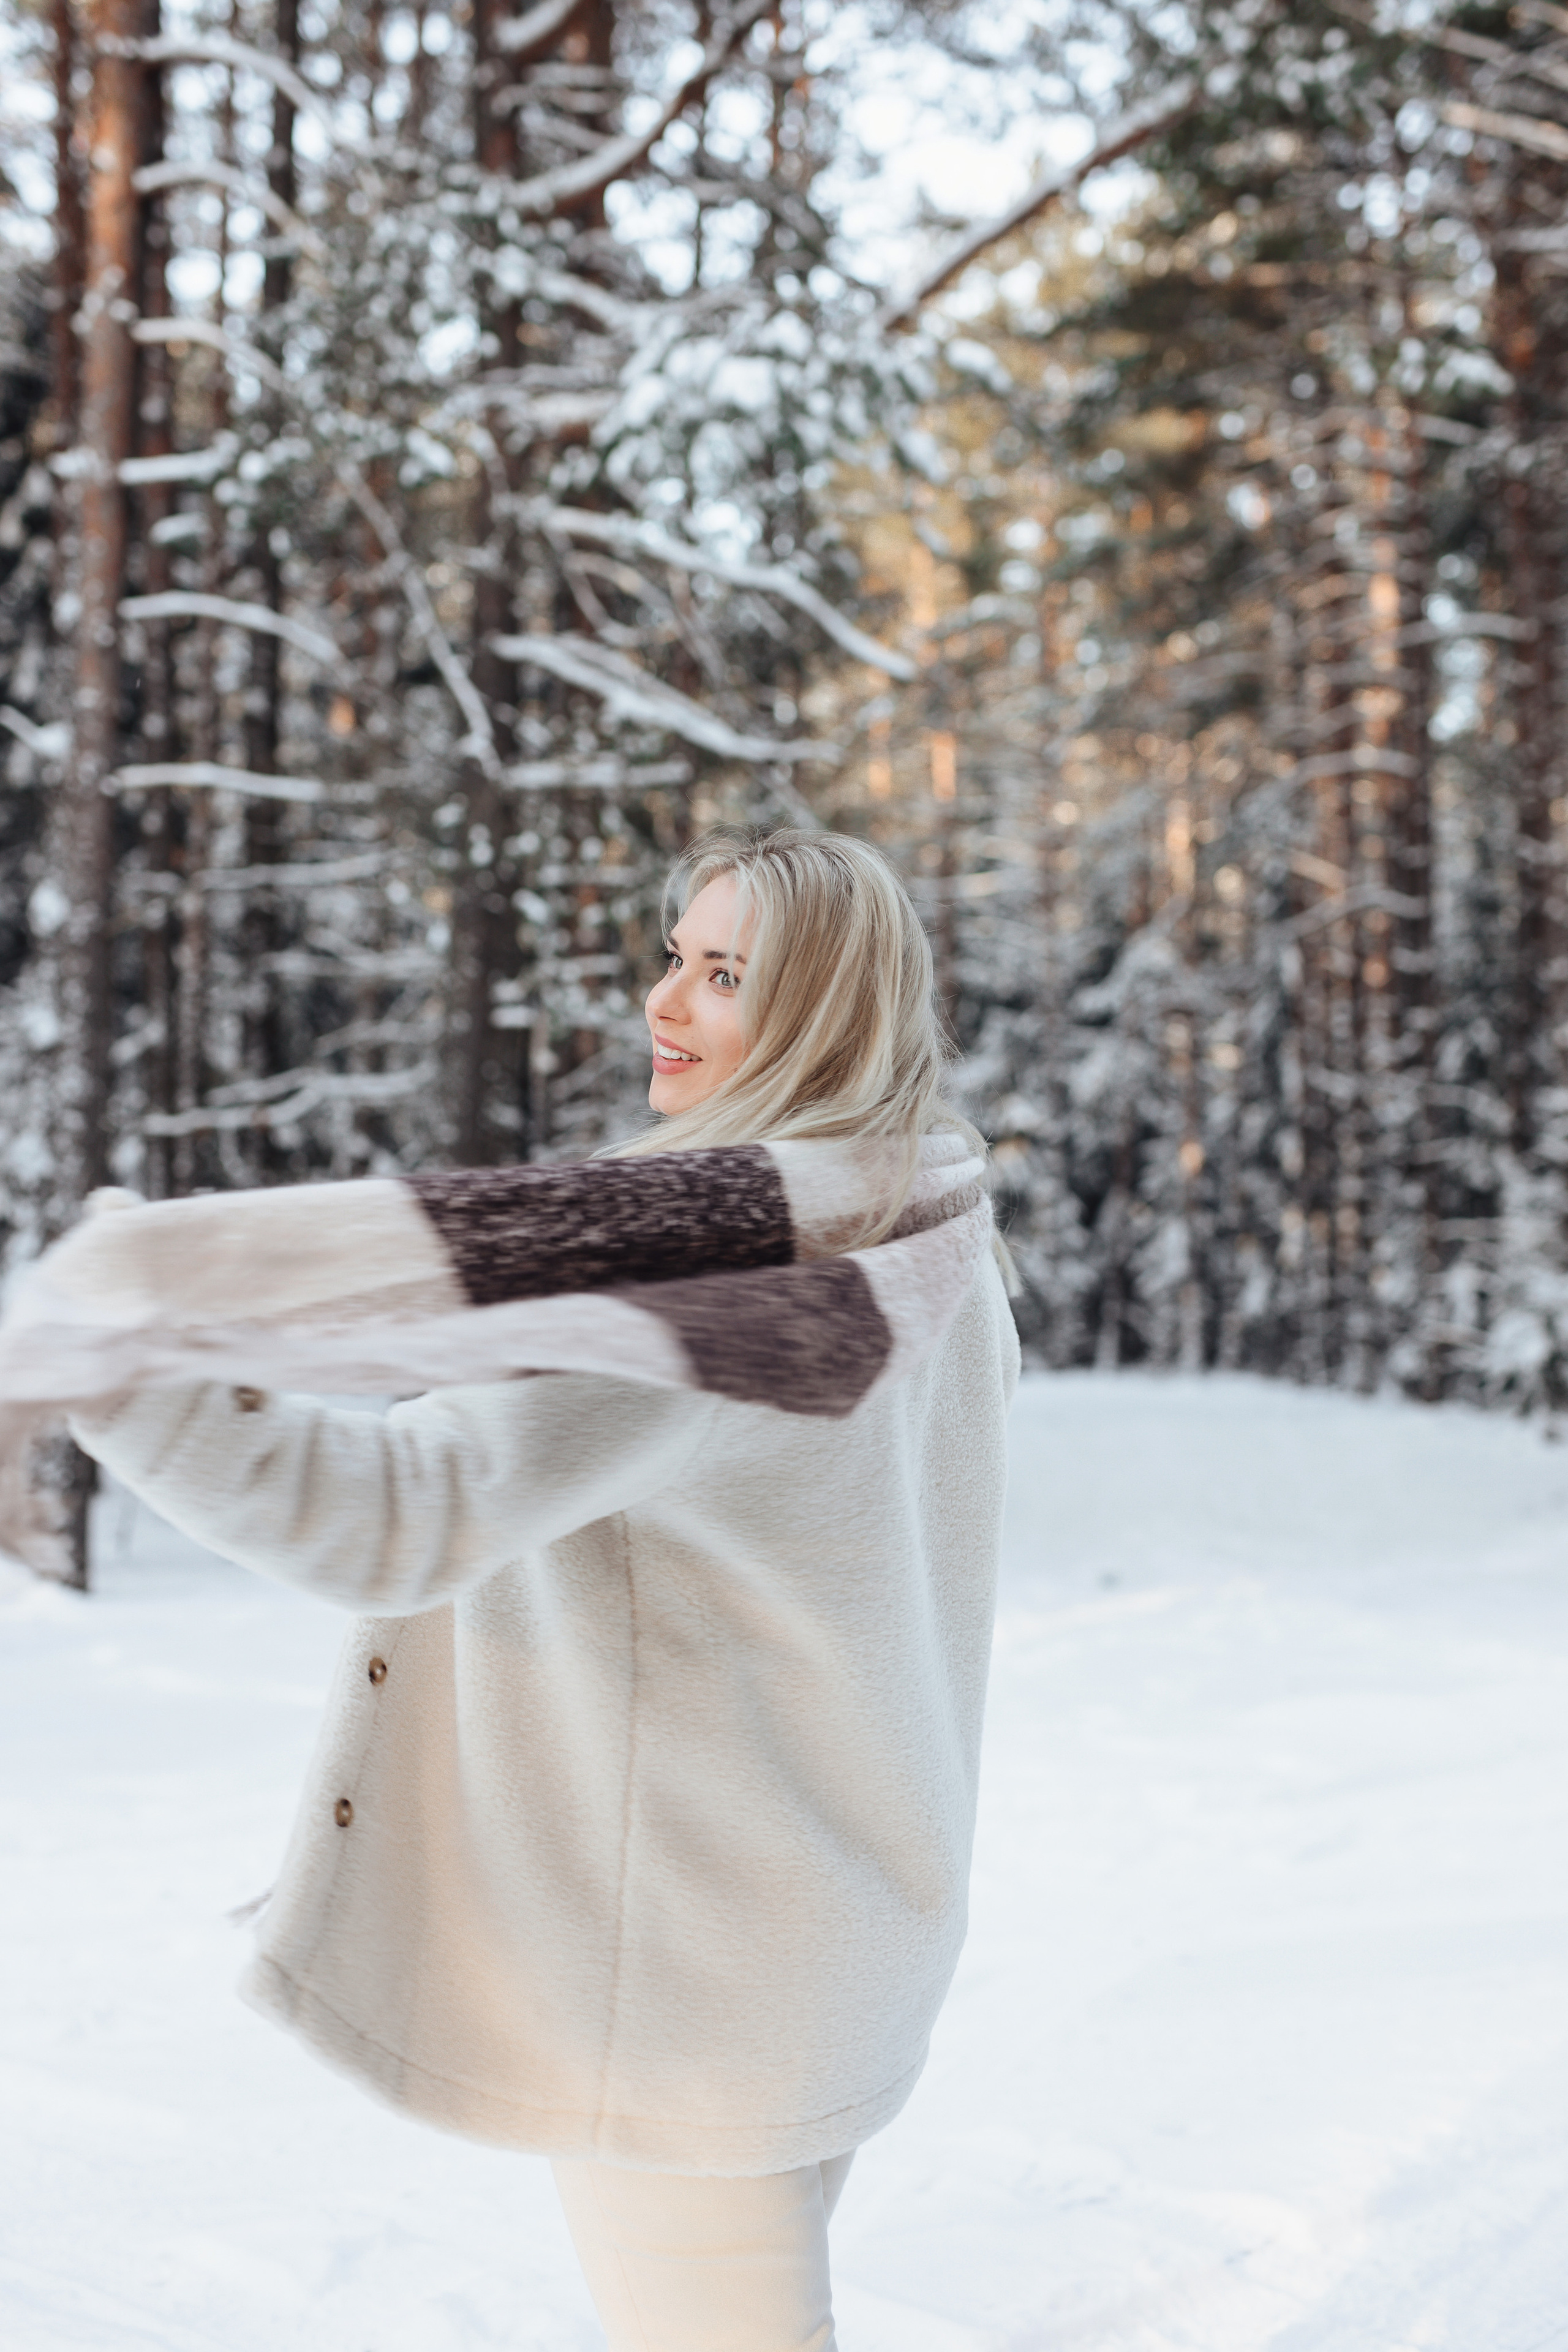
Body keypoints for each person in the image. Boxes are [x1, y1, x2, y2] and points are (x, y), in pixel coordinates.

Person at [67, 827, 1019, 2352]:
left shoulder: (725, 1290)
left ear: (831, 1010)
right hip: (832, 1933)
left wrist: (120, 1361)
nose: (666, 1003)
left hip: (688, 1988)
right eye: (673, 955)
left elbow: (392, 1513)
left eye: (726, 976)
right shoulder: (927, 1232)